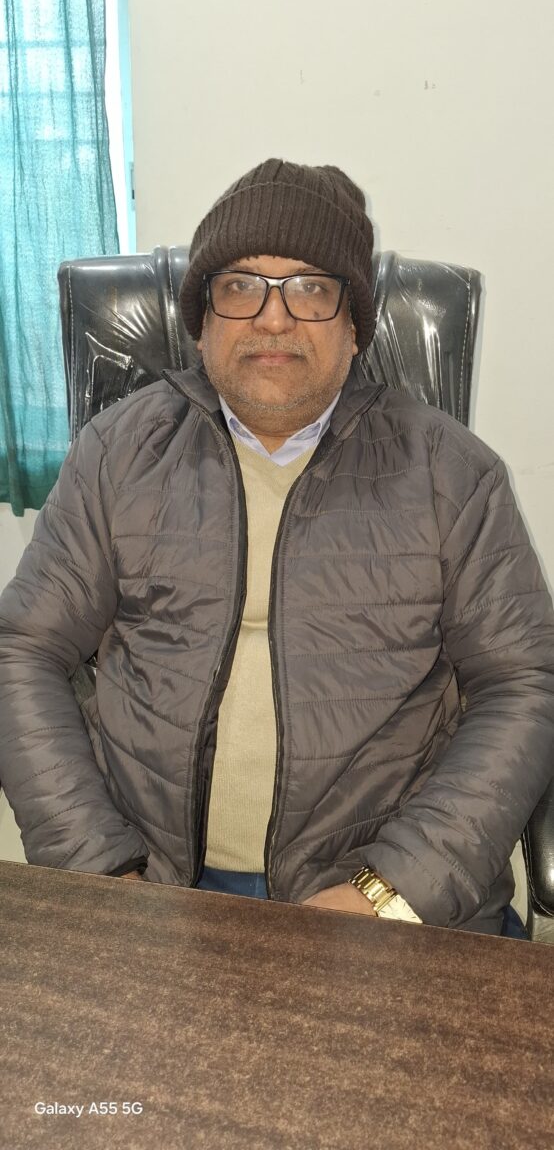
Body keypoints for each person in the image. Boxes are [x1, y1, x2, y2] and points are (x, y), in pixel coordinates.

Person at [0, 159, 552, 940]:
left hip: (384, 891)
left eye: (310, 289)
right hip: (152, 880)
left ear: (355, 325)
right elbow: (23, 652)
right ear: (201, 321)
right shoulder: (117, 454)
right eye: (240, 286)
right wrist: (100, 871)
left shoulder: (452, 475)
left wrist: (390, 890)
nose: (273, 318)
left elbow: (523, 686)